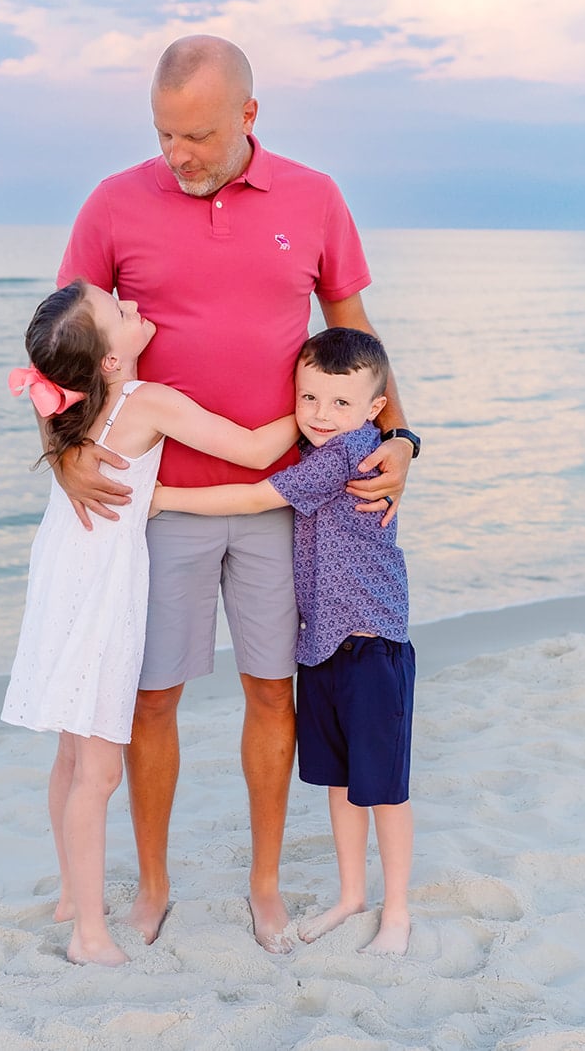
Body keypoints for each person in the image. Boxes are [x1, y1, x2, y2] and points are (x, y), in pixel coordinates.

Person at [52, 34, 420, 953]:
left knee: (272, 692)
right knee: (151, 701)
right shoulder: (112, 202)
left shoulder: (315, 196)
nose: (178, 154)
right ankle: (153, 885)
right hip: (157, 505)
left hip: (284, 505)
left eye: (199, 136)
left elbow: (355, 333)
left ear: (248, 116)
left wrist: (402, 439)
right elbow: (61, 349)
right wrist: (63, 454)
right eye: (164, 134)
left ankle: (264, 885)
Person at [0, 280, 299, 967]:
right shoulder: (144, 400)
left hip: (61, 579)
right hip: (102, 594)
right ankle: (89, 935)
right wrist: (319, 418)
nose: (132, 305)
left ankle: (72, 896)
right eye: (118, 310)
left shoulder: (74, 407)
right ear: (109, 360)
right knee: (99, 772)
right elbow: (254, 450)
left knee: (71, 754)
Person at [153, 327, 415, 955]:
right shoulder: (320, 441)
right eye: (309, 398)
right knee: (341, 780)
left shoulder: (345, 454)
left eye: (341, 402)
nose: (322, 414)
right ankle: (351, 896)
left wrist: (161, 497)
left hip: (369, 641)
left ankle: (398, 911)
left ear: (377, 408)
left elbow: (254, 495)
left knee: (383, 787)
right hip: (323, 642)